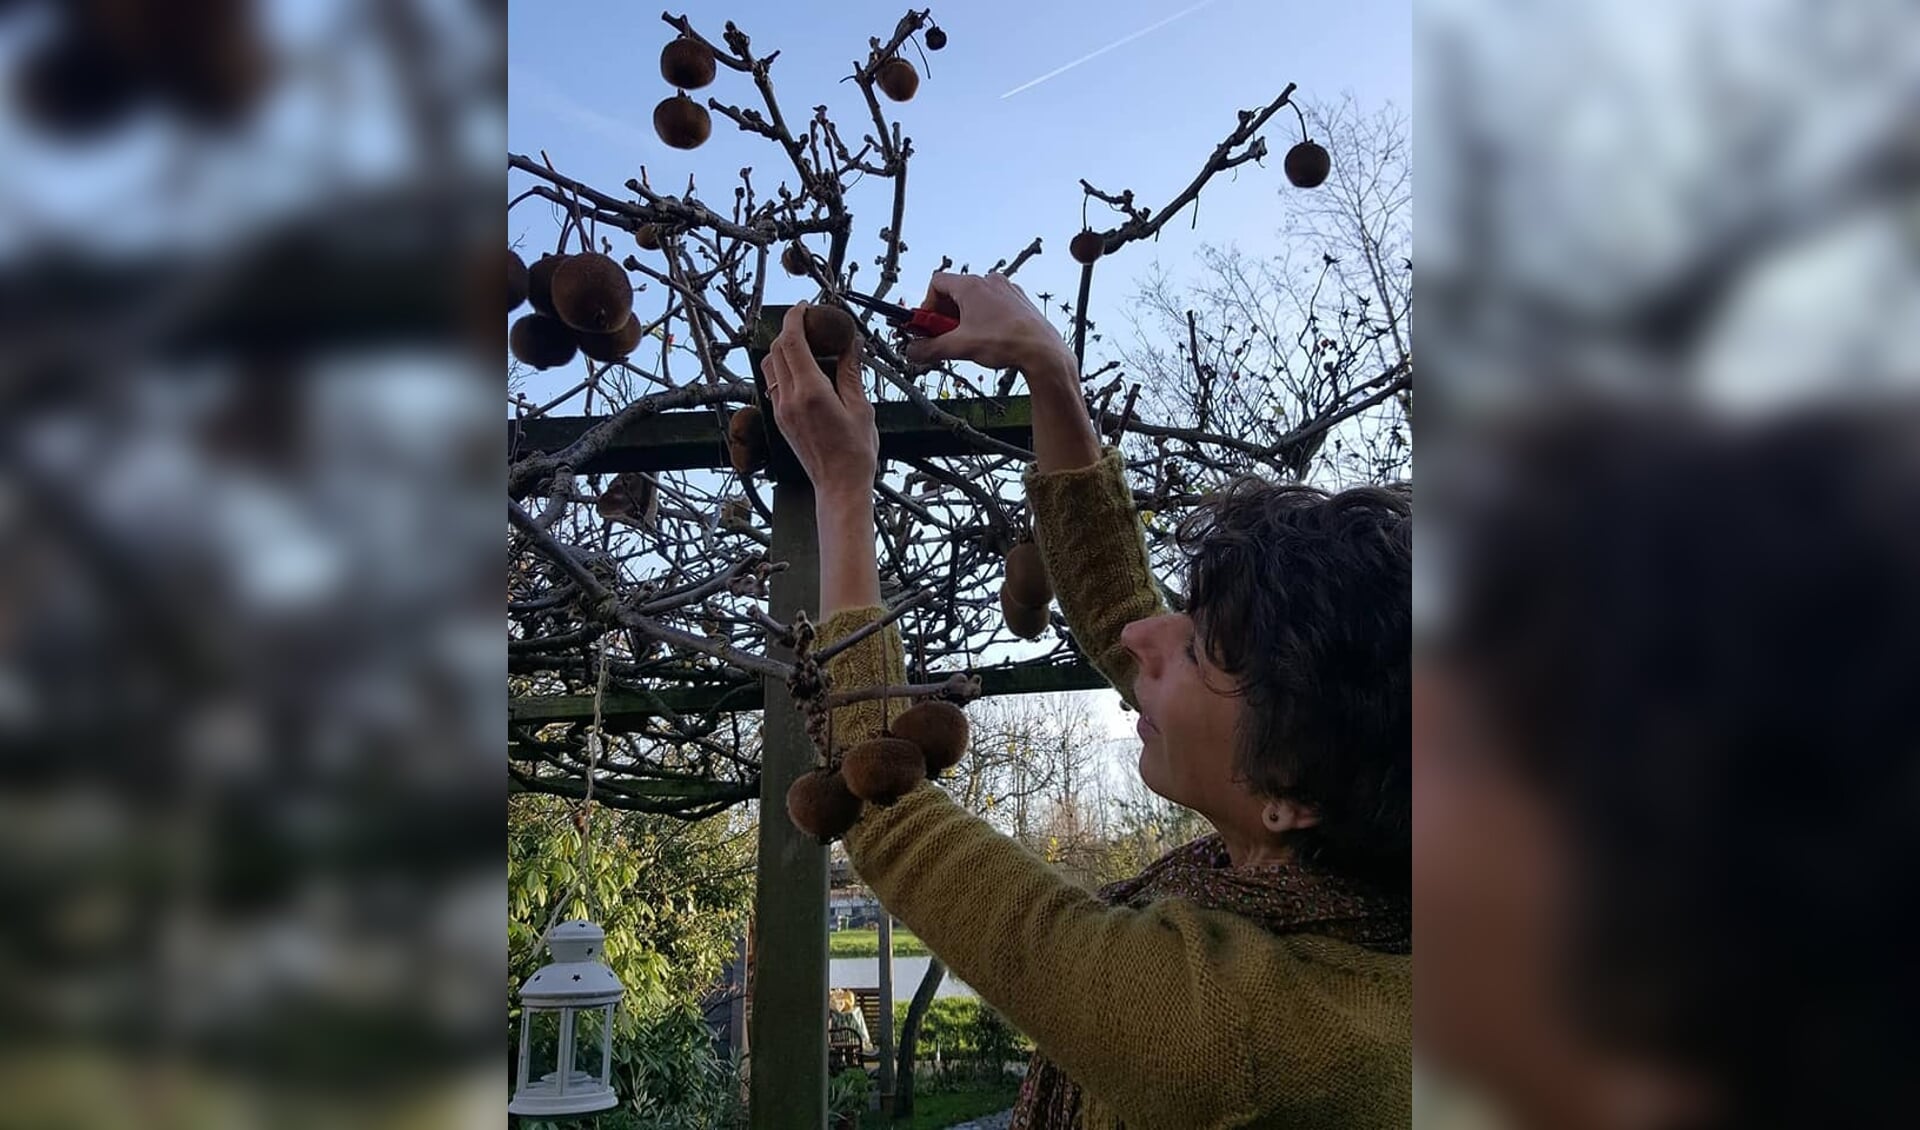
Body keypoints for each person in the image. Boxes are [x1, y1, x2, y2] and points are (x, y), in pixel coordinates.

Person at [760, 274, 1411, 1129]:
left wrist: (843, 490)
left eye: (1200, 647)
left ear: (1288, 794)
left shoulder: (1246, 1038)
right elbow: (1120, 608)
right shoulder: (1376, 898)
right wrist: (1048, 370)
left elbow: (888, 811)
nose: (1146, 638)